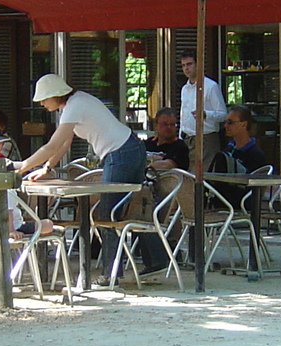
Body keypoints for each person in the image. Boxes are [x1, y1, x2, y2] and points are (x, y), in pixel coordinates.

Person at [11, 74, 165, 286]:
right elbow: (64, 143)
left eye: (44, 98)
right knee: (130, 207)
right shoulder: (76, 103)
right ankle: (157, 259)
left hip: (119, 153)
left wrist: (22, 168)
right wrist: (47, 167)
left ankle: (111, 274)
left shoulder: (75, 105)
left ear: (57, 95)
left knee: (108, 213)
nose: (41, 103)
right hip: (130, 148)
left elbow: (52, 145)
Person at [211, 105, 270, 207]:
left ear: (244, 124)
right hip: (222, 200)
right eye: (225, 122)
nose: (226, 126)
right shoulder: (228, 150)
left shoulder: (256, 154)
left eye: (230, 122)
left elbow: (255, 188)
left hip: (241, 203)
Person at [179, 50, 226, 170]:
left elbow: (223, 114)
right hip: (188, 139)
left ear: (198, 64)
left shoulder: (211, 86)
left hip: (206, 138)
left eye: (189, 64)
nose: (186, 68)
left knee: (205, 176)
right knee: (189, 176)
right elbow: (183, 115)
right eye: (183, 65)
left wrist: (206, 114)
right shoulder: (185, 89)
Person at [142, 107, 189, 171]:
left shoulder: (180, 146)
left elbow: (166, 166)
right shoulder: (146, 144)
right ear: (156, 125)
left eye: (172, 124)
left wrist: (143, 165)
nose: (169, 127)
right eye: (165, 124)